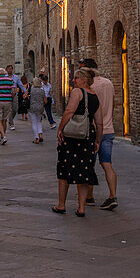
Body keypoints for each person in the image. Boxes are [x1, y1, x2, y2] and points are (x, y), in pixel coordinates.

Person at [53, 68, 102, 217]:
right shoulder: (95, 96)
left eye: (76, 78)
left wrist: (60, 128)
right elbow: (99, 123)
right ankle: (81, 208)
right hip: (88, 136)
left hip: (72, 136)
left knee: (64, 169)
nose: (73, 80)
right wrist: (98, 140)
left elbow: (69, 111)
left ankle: (61, 205)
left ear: (84, 81)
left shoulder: (77, 92)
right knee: (84, 170)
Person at [80, 58, 118, 210]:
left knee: (88, 164)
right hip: (108, 130)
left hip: (92, 131)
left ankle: (89, 196)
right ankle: (112, 196)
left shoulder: (88, 87)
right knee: (106, 163)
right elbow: (113, 104)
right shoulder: (108, 83)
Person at [0, 67, 16, 145]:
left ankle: (3, 136)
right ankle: (2, 136)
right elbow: (14, 92)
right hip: (8, 101)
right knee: (4, 120)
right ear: (4, 73)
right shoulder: (10, 80)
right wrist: (10, 98)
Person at [6, 65, 24, 130]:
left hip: (15, 95)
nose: (10, 70)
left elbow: (21, 85)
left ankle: (10, 119)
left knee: (15, 109)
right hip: (7, 95)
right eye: (9, 69)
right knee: (9, 110)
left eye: (11, 69)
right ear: (6, 70)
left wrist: (25, 92)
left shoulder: (16, 77)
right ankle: (11, 123)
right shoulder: (5, 77)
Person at [29, 76, 46, 143]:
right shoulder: (42, 91)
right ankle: (40, 135)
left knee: (34, 122)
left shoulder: (31, 90)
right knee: (39, 121)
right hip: (40, 108)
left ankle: (36, 138)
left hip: (32, 107)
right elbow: (45, 101)